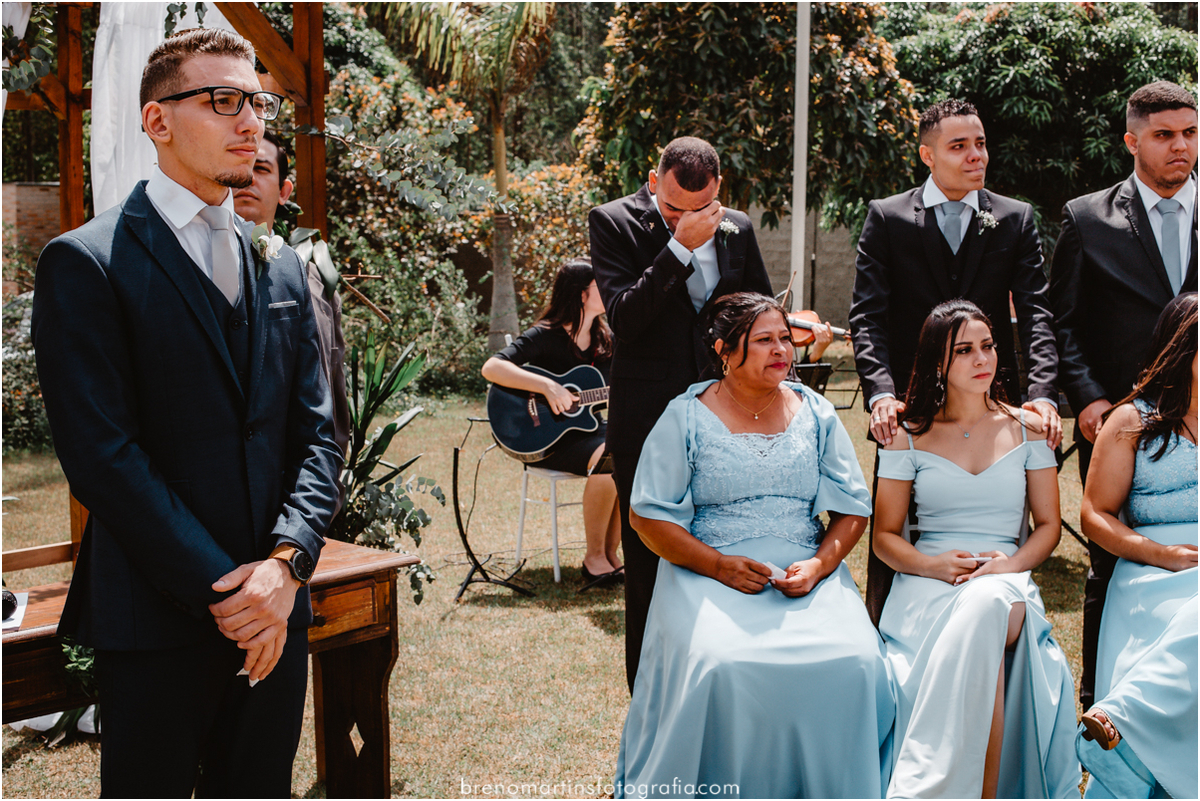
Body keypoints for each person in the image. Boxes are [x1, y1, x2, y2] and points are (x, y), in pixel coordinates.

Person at [30, 28, 340, 797]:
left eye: (257, 104)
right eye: (224, 101)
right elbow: (103, 454)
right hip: (156, 621)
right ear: (157, 121)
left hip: (278, 614)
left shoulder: (282, 265)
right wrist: (228, 591)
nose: (251, 123)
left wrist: (285, 566)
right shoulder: (86, 262)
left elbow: (317, 432)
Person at [615, 293, 892, 798]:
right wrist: (717, 566)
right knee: (724, 663)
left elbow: (854, 508)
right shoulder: (686, 415)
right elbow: (645, 516)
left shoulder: (818, 412)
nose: (781, 350)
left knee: (858, 660)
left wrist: (818, 565)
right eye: (764, 340)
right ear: (724, 349)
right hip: (706, 569)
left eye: (785, 338)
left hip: (805, 574)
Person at [851, 97, 1062, 622]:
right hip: (909, 405)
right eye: (959, 146)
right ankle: (890, 643)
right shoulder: (888, 217)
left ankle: (1002, 630)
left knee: (1001, 537)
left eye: (981, 144)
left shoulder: (1013, 219)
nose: (977, 156)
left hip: (990, 400)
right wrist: (881, 393)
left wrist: (1040, 395)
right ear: (927, 154)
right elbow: (868, 315)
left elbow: (1036, 312)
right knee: (894, 529)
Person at [874, 299, 1079, 799]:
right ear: (938, 363)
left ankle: (932, 787)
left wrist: (1010, 565)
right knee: (980, 631)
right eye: (964, 350)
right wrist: (932, 565)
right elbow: (884, 536)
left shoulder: (1029, 428)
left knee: (988, 602)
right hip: (929, 580)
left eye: (987, 346)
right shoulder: (909, 435)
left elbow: (1048, 526)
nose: (982, 358)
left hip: (1005, 575)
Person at [590, 136, 772, 689]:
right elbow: (625, 318)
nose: (686, 218)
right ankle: (648, 696)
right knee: (649, 563)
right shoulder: (613, 221)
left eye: (702, 208)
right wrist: (679, 249)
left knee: (722, 545)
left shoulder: (737, 226)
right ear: (653, 180)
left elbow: (756, 308)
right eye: (673, 208)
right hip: (646, 418)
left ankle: (717, 687)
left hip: (725, 417)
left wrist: (786, 325)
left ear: (719, 193)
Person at [1049, 80, 1198, 710]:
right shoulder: (1087, 219)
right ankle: (1103, 704)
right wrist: (1087, 399)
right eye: (1164, 135)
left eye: (1190, 133)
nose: (1181, 147)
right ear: (1132, 141)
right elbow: (1059, 321)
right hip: (1120, 420)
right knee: (1110, 563)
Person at [1076, 293, 1197, 800]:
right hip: (1150, 567)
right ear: (1183, 350)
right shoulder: (1130, 422)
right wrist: (1159, 553)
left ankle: (1123, 714)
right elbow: (1094, 514)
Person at [481, 259, 622, 588]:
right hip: (546, 438)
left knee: (627, 454)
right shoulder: (545, 335)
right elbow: (492, 367)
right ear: (581, 293)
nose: (610, 288)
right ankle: (593, 558)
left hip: (588, 431)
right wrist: (546, 386)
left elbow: (622, 387)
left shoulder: (605, 339)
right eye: (600, 283)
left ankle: (611, 556)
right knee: (609, 459)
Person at [233, 130, 350, 504]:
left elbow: (331, 384)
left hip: (296, 493)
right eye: (240, 168)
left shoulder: (311, 276)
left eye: (261, 169)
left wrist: (320, 492)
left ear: (285, 191)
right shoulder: (200, 273)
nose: (247, 179)